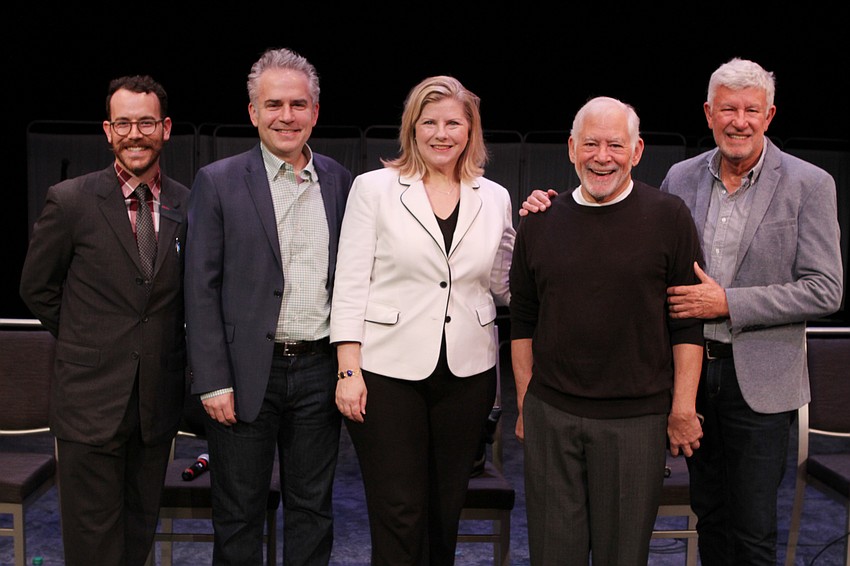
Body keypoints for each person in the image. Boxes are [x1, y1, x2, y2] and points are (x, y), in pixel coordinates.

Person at [520, 60, 845, 565]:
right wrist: (554, 204)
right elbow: (634, 245)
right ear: (709, 113)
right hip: (688, 376)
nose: (739, 120)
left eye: (751, 110)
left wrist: (729, 303)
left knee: (754, 529)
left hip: (757, 379)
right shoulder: (682, 177)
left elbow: (826, 289)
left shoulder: (810, 183)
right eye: (728, 109)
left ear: (770, 115)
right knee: (709, 514)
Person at [509, 96, 705, 565]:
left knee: (623, 557)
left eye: (615, 145)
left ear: (636, 151)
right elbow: (522, 322)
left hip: (636, 423)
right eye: (591, 144)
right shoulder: (538, 221)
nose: (602, 157)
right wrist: (524, 405)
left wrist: (682, 408)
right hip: (552, 416)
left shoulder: (669, 216)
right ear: (571, 148)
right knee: (554, 556)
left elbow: (687, 322)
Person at [331, 75, 515, 565]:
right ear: (412, 129)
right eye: (429, 122)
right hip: (387, 373)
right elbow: (350, 283)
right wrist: (348, 371)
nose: (441, 133)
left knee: (444, 509)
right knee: (399, 511)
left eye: (453, 122)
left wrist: (547, 224)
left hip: (468, 375)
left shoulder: (493, 197)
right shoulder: (375, 189)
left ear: (470, 131)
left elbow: (504, 284)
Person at [184, 47, 352, 565]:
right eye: (273, 104)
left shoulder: (341, 181)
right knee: (238, 516)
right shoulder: (218, 181)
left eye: (298, 104)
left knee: (313, 511)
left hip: (320, 371)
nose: (287, 116)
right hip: (242, 374)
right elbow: (200, 288)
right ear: (253, 112)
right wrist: (212, 380)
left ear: (315, 112)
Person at [19, 75, 189, 565]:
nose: (135, 134)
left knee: (137, 539)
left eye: (147, 122)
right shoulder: (70, 200)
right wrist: (84, 336)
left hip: (155, 406)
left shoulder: (188, 202)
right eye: (124, 123)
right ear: (108, 130)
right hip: (88, 401)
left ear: (166, 128)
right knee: (92, 546)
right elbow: (37, 288)